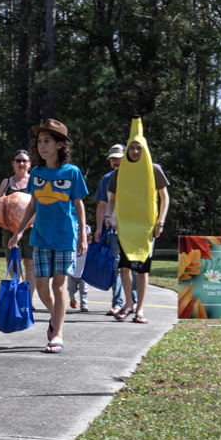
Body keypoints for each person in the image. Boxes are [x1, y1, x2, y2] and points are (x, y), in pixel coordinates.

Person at [7, 119, 88, 354]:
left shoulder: (72, 172)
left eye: (47, 141)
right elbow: (33, 203)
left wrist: (83, 234)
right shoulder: (38, 172)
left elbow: (79, 204)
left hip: (64, 238)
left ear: (60, 144)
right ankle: (57, 318)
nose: (41, 146)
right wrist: (20, 230)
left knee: (59, 285)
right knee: (42, 288)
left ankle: (58, 333)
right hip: (40, 236)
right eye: (39, 142)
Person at [103, 124, 170, 324]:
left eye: (138, 147)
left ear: (145, 149)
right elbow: (112, 200)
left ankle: (140, 309)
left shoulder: (154, 169)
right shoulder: (119, 173)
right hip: (125, 229)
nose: (134, 151)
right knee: (124, 268)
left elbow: (164, 198)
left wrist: (161, 222)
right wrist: (109, 216)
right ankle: (128, 304)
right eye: (131, 148)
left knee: (142, 271)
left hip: (146, 230)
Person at [0, 149, 36, 310]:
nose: (21, 163)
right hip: (9, 231)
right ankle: (15, 299)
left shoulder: (34, 182)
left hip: (30, 230)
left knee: (29, 264)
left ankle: (27, 300)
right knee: (14, 264)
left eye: (24, 161)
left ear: (29, 164)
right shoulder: (6, 183)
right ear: (12, 163)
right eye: (18, 160)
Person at [93, 144, 135, 315]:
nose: (115, 161)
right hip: (113, 230)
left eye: (119, 157)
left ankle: (133, 302)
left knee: (132, 267)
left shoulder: (135, 177)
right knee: (116, 266)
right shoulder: (106, 179)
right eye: (112, 159)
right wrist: (98, 228)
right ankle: (117, 303)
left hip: (134, 230)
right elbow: (102, 205)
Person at [67, 223, 92, 311]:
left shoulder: (89, 248)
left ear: (87, 235)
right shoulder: (71, 246)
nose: (79, 236)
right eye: (77, 234)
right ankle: (73, 299)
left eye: (81, 234)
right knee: (71, 289)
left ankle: (84, 305)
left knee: (84, 290)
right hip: (72, 274)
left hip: (84, 274)